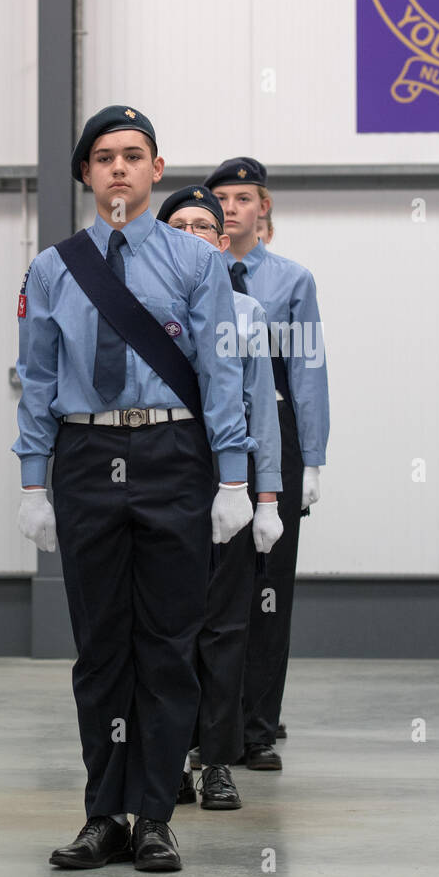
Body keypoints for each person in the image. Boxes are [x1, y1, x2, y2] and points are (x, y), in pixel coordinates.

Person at [14, 107, 254, 872]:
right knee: (99, 648)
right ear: (86, 175)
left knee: (167, 644)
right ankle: (102, 814)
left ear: (156, 170)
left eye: (133, 156)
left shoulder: (195, 261)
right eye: (103, 157)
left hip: (171, 452)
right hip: (85, 455)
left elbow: (223, 375)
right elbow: (38, 379)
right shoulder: (52, 268)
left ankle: (153, 814)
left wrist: (235, 479)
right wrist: (32, 483)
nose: (118, 168)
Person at [156, 186, 283, 812]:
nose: (191, 234)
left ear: (222, 239)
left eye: (203, 226)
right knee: (163, 628)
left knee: (226, 628)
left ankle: (216, 762)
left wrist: (268, 498)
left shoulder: (247, 312)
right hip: (159, 475)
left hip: (227, 478)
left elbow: (264, 411)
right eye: (177, 224)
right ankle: (167, 758)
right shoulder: (142, 305)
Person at [206, 157, 329, 770]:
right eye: (221, 196)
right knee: (212, 583)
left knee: (268, 585)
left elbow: (307, 372)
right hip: (206, 432)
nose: (231, 206)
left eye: (244, 197)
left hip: (273, 427)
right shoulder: (191, 275)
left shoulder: (290, 281)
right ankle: (207, 724)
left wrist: (311, 458)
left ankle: (256, 726)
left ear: (264, 209)